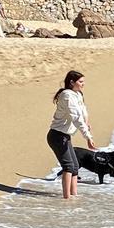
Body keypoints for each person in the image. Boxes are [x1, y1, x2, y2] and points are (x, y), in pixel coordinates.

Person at [48, 70, 96, 199]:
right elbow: (76, 117)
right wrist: (88, 137)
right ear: (71, 82)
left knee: (75, 166)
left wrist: (87, 124)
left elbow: (83, 112)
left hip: (65, 136)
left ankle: (74, 196)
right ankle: (66, 198)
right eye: (80, 82)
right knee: (68, 166)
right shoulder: (67, 96)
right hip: (57, 136)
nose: (83, 84)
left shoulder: (77, 94)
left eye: (83, 82)